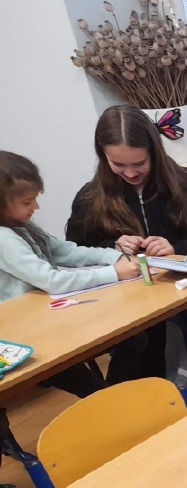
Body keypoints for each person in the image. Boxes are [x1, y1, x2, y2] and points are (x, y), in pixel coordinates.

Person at [65, 104, 187, 381]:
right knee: (139, 353)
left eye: (139, 164)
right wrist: (112, 248)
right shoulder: (91, 199)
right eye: (118, 164)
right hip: (129, 313)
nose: (130, 173)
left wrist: (176, 249)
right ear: (103, 156)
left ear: (154, 152)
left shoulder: (186, 189)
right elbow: (74, 253)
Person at [0, 151, 147, 396]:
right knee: (89, 383)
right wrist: (114, 273)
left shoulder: (21, 225)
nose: (36, 207)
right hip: (28, 336)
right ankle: (109, 402)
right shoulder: (4, 239)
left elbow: (65, 251)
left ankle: (110, 400)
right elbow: (52, 281)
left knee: (134, 339)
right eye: (27, 202)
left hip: (49, 319)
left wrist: (114, 256)